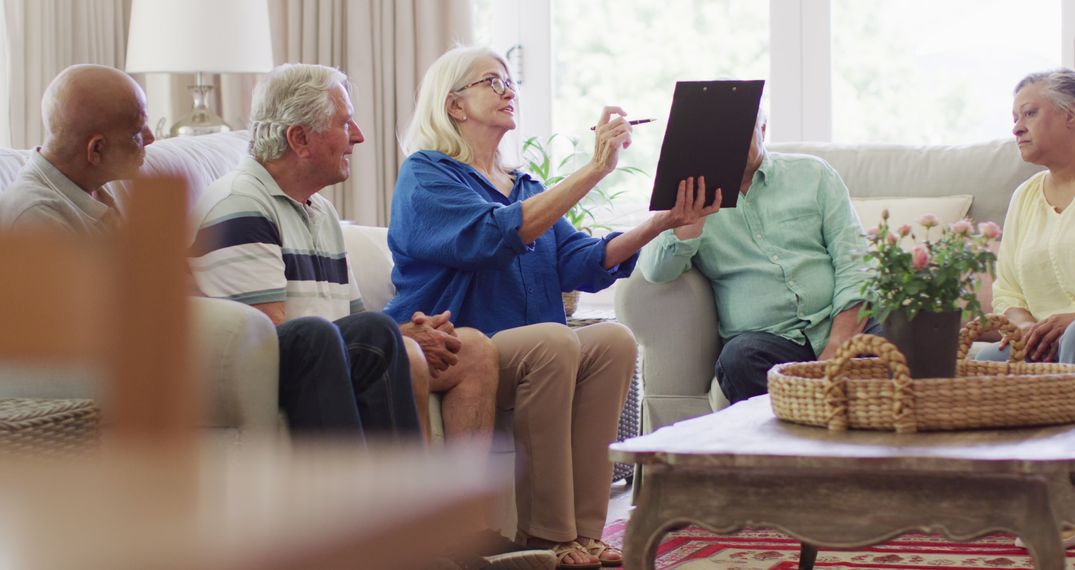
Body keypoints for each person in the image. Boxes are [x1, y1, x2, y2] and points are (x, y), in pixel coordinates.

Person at [385, 46, 719, 569]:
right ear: (454, 105)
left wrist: (661, 221)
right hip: (465, 342)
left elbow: (581, 261)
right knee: (554, 339)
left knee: (613, 340)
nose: (508, 90)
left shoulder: (523, 184)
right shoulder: (427, 175)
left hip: (533, 345)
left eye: (511, 81)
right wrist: (596, 169)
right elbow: (493, 236)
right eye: (492, 82)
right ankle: (546, 535)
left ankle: (587, 531)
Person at [188, 63, 502, 446]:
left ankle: (443, 501)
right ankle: (390, 498)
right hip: (258, 366)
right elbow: (269, 340)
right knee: (372, 334)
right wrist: (393, 335)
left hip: (323, 350)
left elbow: (352, 321)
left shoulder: (319, 210)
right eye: (345, 123)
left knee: (468, 348)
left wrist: (408, 333)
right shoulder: (241, 203)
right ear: (300, 138)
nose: (359, 137)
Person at [639, 102, 880, 406]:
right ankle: (797, 438)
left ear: (762, 130)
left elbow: (855, 261)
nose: (728, 146)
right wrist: (688, 221)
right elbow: (656, 272)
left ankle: (820, 426)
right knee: (738, 361)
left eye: (739, 135)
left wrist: (836, 348)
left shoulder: (813, 174)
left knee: (890, 347)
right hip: (767, 342)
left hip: (837, 326)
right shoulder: (689, 198)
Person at [976, 68, 1075, 368]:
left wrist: (1073, 321)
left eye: (1029, 114)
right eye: (1015, 119)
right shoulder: (1025, 196)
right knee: (990, 359)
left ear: (1071, 115)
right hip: (1044, 343)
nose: (1017, 129)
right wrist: (1023, 327)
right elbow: (1007, 290)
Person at [0, 64, 154, 232]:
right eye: (136, 133)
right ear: (96, 150)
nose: (150, 138)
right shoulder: (35, 219)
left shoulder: (96, 182)